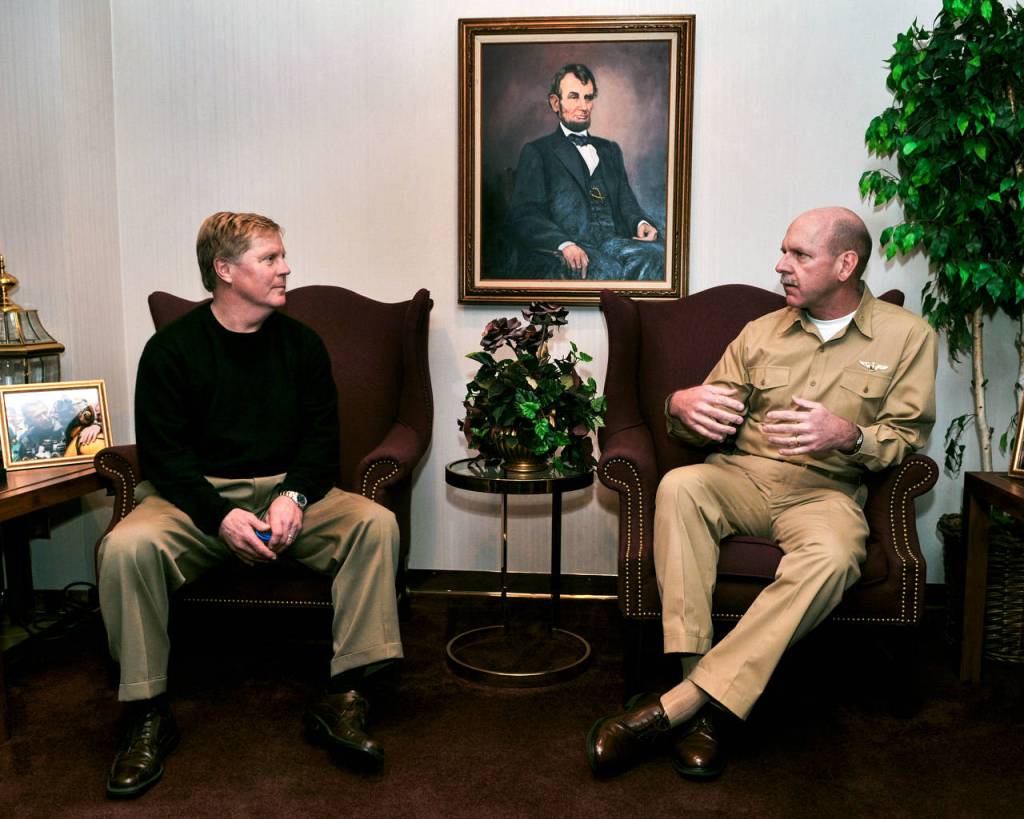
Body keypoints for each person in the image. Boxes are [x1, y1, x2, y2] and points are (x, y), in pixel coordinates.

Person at [586, 206, 937, 780]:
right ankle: (700, 690)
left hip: (827, 490)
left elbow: (904, 439)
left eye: (800, 255)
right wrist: (679, 406)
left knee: (835, 554)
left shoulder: (908, 337)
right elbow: (705, 416)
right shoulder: (760, 332)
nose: (782, 266)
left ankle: (681, 708)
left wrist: (849, 435)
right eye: (785, 252)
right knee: (681, 485)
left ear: (845, 264)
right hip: (742, 474)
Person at [97, 212, 402, 799]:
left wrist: (294, 495)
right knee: (126, 547)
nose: (286, 268)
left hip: (290, 489)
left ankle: (344, 695)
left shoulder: (303, 345)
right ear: (225, 270)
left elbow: (322, 442)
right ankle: (146, 712)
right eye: (270, 258)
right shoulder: (172, 349)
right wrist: (218, 515)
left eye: (282, 256)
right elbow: (164, 456)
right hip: (197, 498)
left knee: (375, 525)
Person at [506, 63, 664, 281]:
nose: (583, 106)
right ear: (555, 103)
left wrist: (640, 223)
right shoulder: (537, 152)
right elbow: (526, 214)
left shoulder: (610, 150)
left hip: (612, 242)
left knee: (656, 256)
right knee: (606, 271)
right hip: (572, 246)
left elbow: (626, 203)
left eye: (588, 98)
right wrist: (564, 244)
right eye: (574, 97)